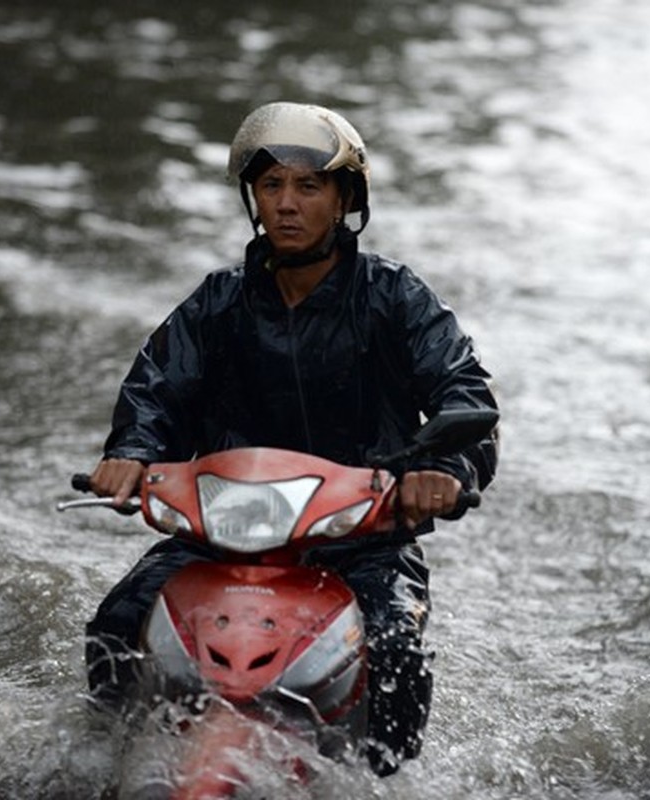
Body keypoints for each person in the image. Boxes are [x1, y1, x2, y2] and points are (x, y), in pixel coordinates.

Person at [84, 101, 498, 776]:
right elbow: (156, 388)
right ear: (253, 199)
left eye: (308, 186)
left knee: (395, 647)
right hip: (216, 539)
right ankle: (101, 763)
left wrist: (445, 469)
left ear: (344, 198)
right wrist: (130, 452)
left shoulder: (394, 298)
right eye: (271, 185)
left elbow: (464, 392)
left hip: (363, 542)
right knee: (116, 621)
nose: (286, 203)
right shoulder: (216, 303)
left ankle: (381, 783)